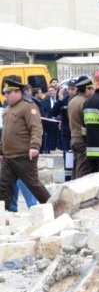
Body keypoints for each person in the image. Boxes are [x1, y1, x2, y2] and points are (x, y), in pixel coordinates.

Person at [0, 77, 51, 210]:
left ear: (19, 93)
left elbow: (36, 128)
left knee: (33, 185)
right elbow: (6, 133)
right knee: (3, 185)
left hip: (24, 155)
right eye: (5, 92)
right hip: (8, 156)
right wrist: (1, 151)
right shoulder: (8, 109)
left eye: (8, 92)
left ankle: (53, 207)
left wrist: (34, 146)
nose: (5, 95)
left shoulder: (28, 107)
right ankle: (4, 212)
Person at [68, 76, 94, 179]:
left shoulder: (72, 101)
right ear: (87, 90)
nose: (93, 90)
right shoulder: (85, 102)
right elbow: (86, 123)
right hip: (82, 140)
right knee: (83, 170)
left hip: (74, 138)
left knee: (76, 169)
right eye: (92, 88)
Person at [50, 79, 75, 168]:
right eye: (69, 89)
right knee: (67, 154)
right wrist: (59, 101)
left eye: (73, 89)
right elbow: (53, 113)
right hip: (66, 132)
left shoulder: (80, 100)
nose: (71, 91)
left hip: (76, 132)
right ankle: (68, 170)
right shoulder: (65, 100)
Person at [42, 85, 59, 153]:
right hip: (49, 122)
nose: (51, 92)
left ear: (55, 91)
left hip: (58, 121)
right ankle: (49, 150)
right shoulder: (45, 100)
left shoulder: (60, 98)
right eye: (49, 91)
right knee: (49, 137)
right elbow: (44, 110)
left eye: (52, 91)